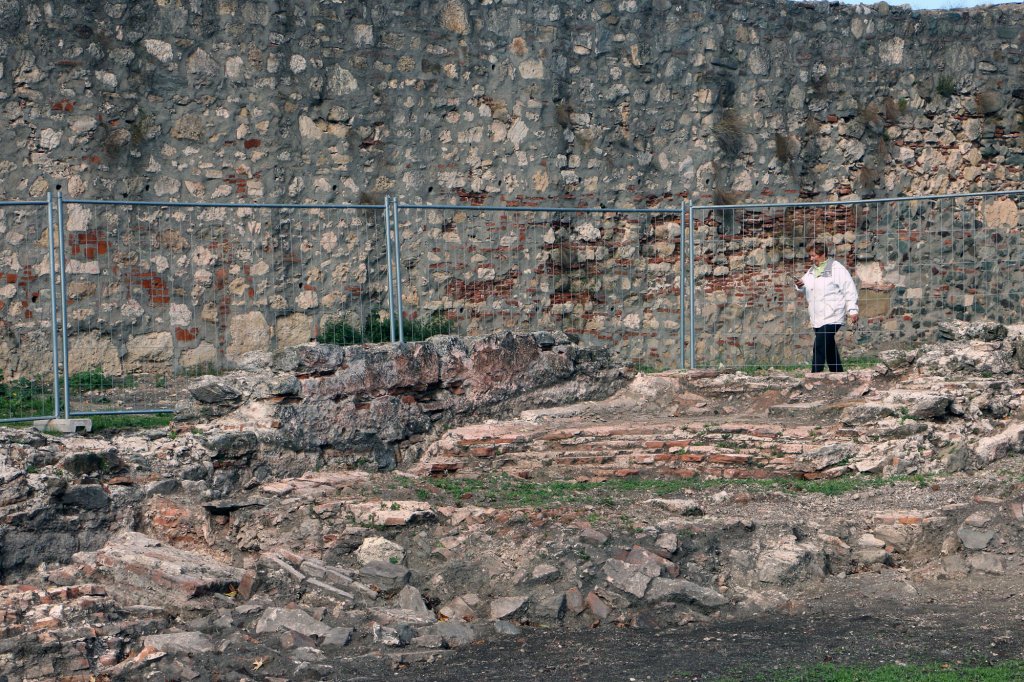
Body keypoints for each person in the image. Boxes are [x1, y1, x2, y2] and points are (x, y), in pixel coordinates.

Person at [794, 243, 859, 372]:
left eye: (814, 256)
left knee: (819, 345)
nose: (811, 258)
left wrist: (852, 309)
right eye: (810, 256)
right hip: (817, 316)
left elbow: (849, 290)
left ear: (823, 254)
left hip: (833, 315)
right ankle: (838, 374)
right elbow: (805, 287)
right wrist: (800, 285)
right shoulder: (812, 271)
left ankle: (814, 375)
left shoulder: (837, 269)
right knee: (829, 347)